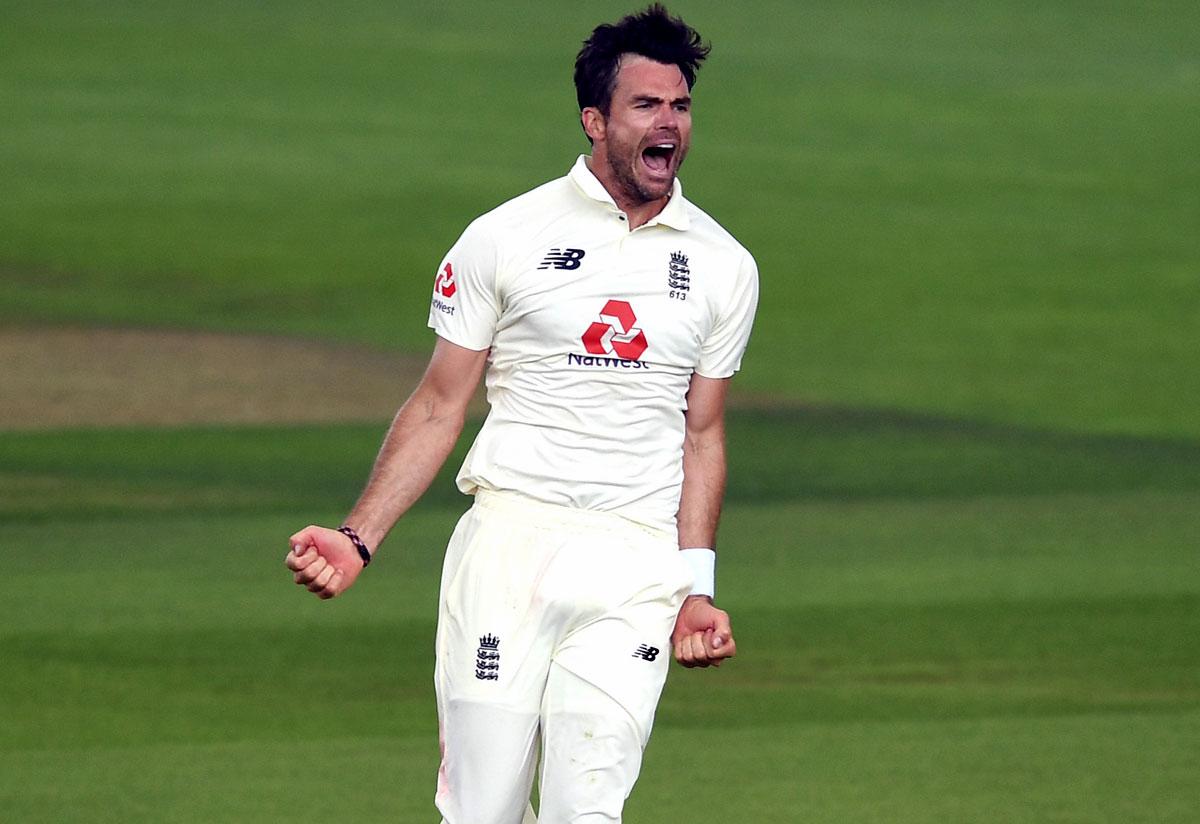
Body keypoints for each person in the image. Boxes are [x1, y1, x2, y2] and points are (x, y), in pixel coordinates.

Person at [285, 5, 758, 822]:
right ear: (595, 119)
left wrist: (694, 588)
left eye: (681, 106)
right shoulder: (504, 238)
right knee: (483, 813)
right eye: (646, 105)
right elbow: (439, 405)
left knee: (588, 810)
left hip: (634, 562)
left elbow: (702, 435)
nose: (670, 124)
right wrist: (360, 536)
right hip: (510, 546)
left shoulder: (723, 265)